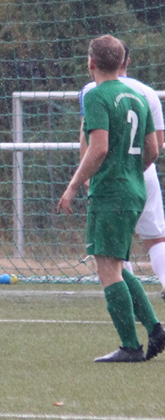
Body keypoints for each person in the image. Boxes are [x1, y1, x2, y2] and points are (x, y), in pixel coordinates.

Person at [58, 34, 165, 362]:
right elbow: (153, 150)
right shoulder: (139, 95)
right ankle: (156, 330)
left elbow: (99, 147)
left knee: (106, 267)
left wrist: (76, 184)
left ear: (91, 63)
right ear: (122, 62)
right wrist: (131, 170)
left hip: (111, 191)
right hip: (135, 188)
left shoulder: (95, 95)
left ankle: (131, 346)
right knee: (116, 263)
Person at [79, 42, 165, 301]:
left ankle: (124, 295)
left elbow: (89, 138)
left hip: (108, 176)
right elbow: (157, 143)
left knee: (113, 245)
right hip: (142, 172)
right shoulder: (147, 92)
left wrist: (84, 175)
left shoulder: (91, 90)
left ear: (93, 62)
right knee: (156, 237)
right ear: (125, 61)